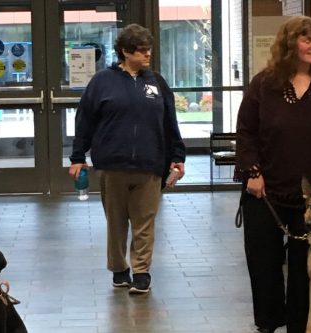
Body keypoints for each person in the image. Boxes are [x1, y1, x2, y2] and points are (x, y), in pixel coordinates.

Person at [234, 16, 311, 333]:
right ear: (290, 44)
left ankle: (302, 326)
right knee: (264, 264)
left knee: (307, 269)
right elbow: (245, 133)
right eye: (307, 39)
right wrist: (253, 172)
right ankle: (269, 323)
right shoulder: (263, 84)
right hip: (266, 193)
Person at [68, 23, 186, 295]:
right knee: (117, 222)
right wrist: (77, 157)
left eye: (149, 50)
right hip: (112, 165)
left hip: (150, 164)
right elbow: (84, 121)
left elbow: (170, 121)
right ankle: (119, 269)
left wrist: (177, 156)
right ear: (124, 51)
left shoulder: (156, 82)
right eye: (141, 51)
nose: (147, 55)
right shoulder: (102, 82)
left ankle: (141, 271)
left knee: (145, 221)